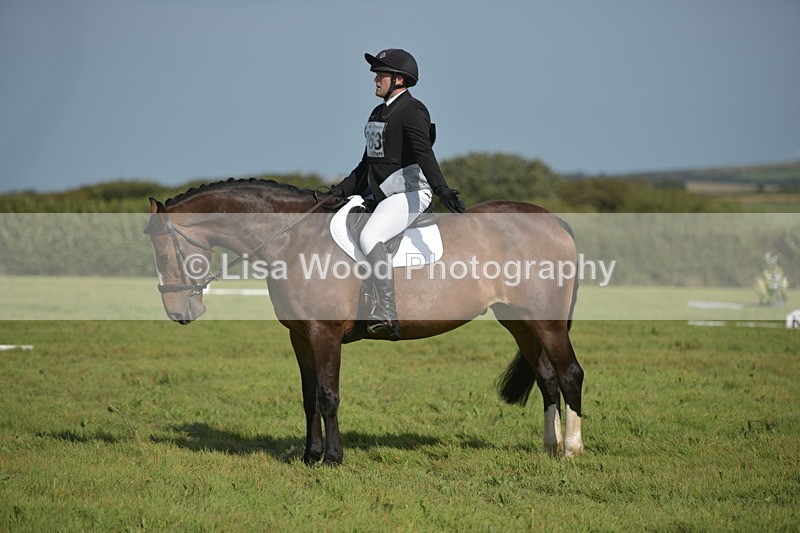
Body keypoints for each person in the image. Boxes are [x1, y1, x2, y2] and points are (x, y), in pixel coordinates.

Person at [330, 48, 465, 341]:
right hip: (381, 194)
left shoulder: (412, 110)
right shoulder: (378, 112)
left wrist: (441, 189)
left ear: (399, 80)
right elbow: (367, 163)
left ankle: (386, 313)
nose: (375, 79)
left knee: (370, 237)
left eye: (381, 74)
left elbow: (423, 154)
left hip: (411, 192)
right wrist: (337, 193)